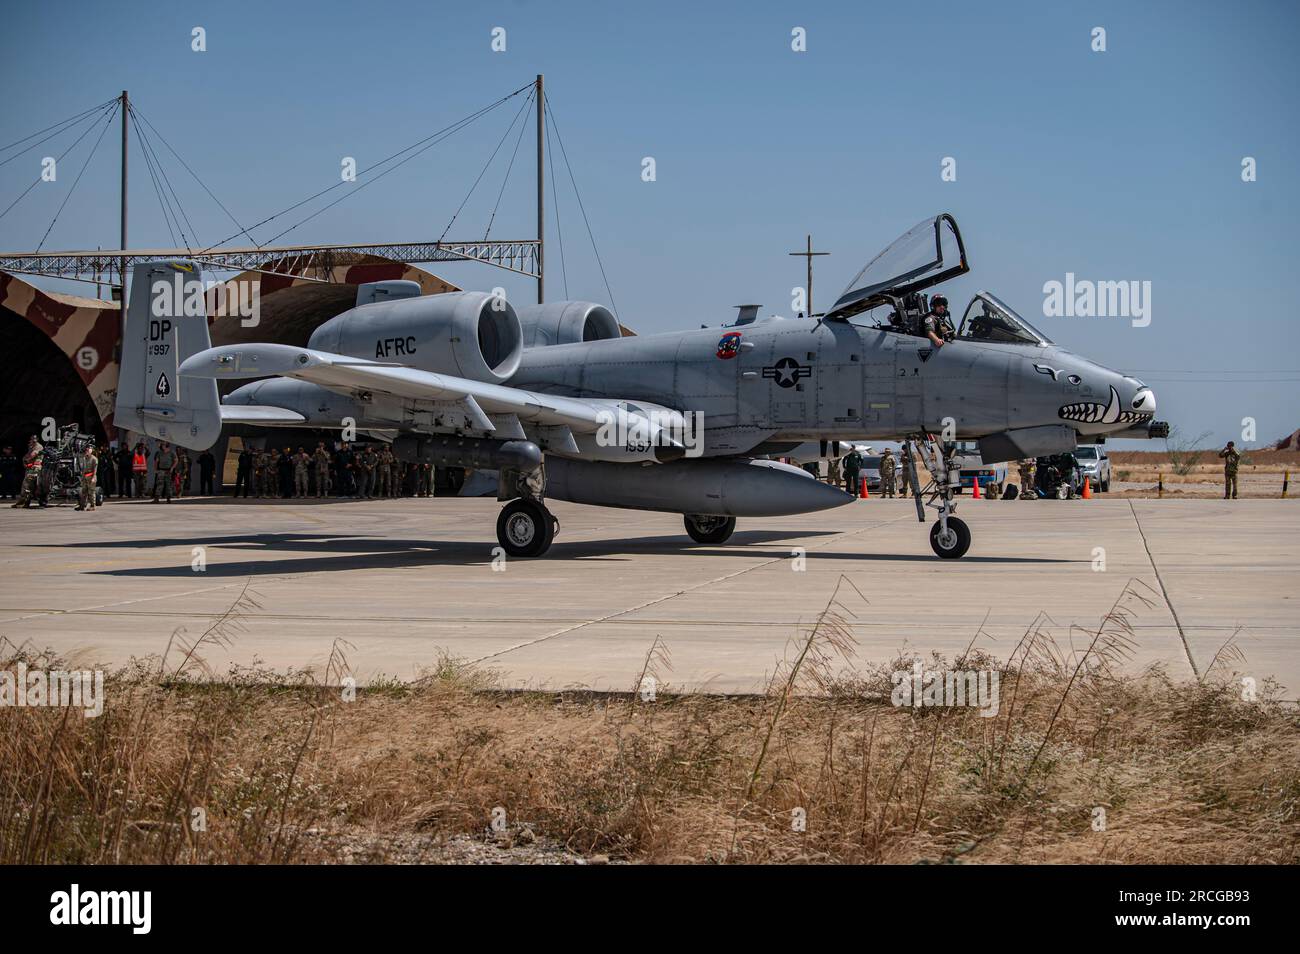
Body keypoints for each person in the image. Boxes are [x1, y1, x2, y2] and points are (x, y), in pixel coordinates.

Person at [10, 436, 44, 508]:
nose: (32, 441)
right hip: (31, 468)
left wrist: (26, 459)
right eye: (31, 439)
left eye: (34, 439)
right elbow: (27, 456)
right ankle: (25, 502)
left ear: (36, 440)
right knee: (28, 486)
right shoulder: (32, 447)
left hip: (34, 468)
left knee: (27, 485)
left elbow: (32, 455)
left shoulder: (38, 446)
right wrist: (25, 460)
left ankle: (23, 502)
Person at [76, 445, 98, 512]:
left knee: (91, 492)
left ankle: (92, 506)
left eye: (88, 450)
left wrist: (93, 477)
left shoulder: (94, 459)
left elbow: (95, 469)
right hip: (85, 476)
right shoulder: (84, 458)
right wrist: (82, 477)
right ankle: (82, 505)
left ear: (91, 451)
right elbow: (83, 469)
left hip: (91, 476)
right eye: (86, 450)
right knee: (84, 491)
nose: (87, 451)